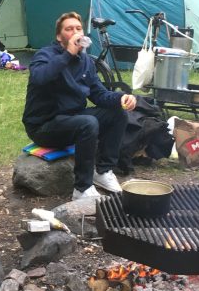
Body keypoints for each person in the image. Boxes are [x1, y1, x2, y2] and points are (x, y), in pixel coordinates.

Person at [22, 12, 138, 200]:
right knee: (88, 122)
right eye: (69, 29)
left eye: (78, 28)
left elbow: (99, 94)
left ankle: (103, 171)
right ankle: (82, 188)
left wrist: (121, 98)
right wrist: (68, 53)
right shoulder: (45, 55)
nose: (75, 32)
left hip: (73, 120)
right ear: (60, 37)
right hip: (43, 125)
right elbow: (39, 77)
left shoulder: (86, 61)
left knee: (118, 114)